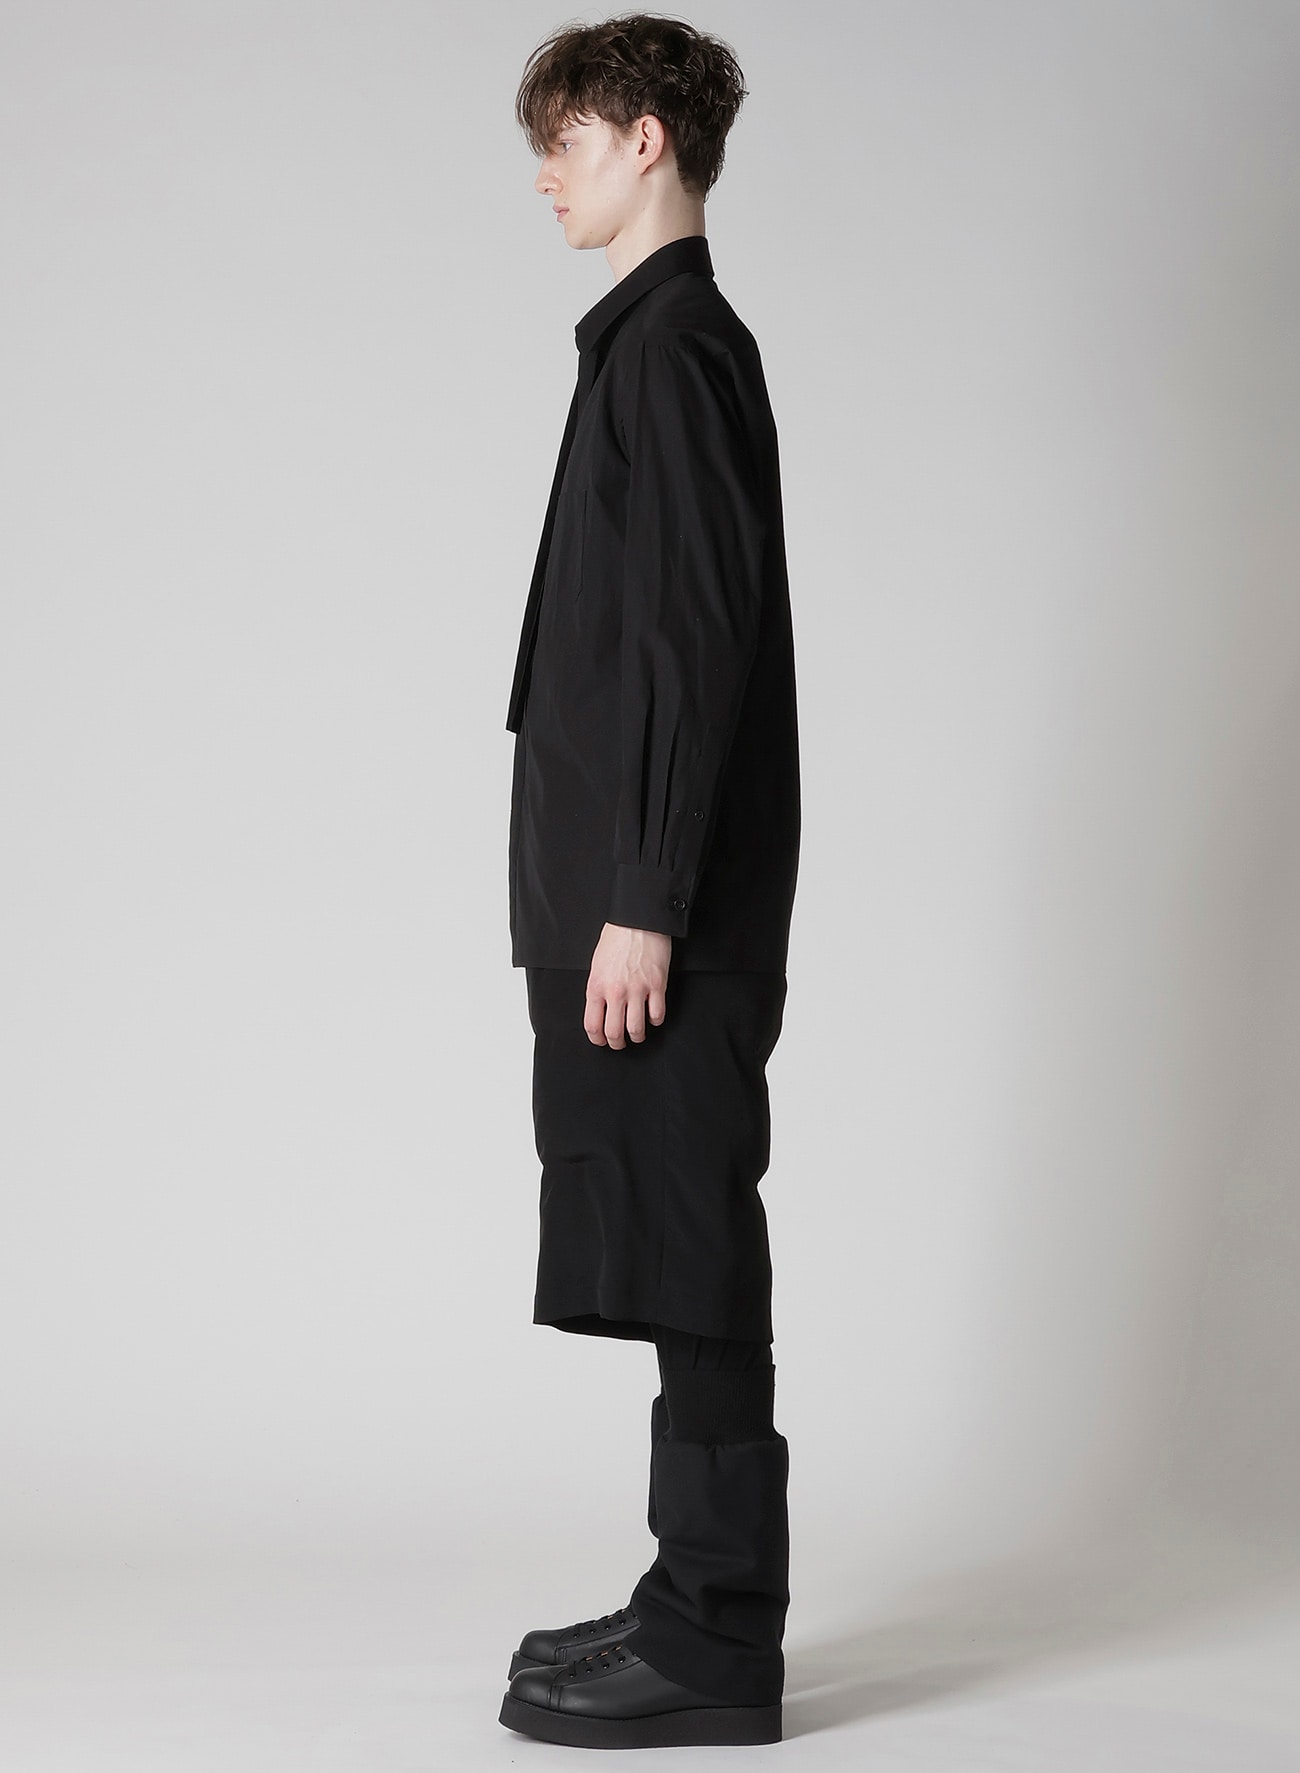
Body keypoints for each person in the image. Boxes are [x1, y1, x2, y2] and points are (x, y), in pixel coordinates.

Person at [496, 13, 801, 1752]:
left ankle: (718, 1637)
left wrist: (646, 896)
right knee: (673, 1236)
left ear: (647, 142)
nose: (546, 173)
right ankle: (693, 1593)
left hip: (656, 909)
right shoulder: (645, 349)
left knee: (696, 1244)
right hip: (635, 895)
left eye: (567, 138)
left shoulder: (677, 352)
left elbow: (694, 644)